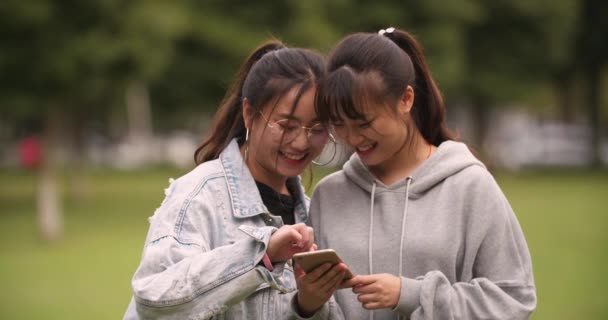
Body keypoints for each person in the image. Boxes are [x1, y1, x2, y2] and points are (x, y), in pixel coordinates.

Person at [300, 27, 537, 319]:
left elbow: (514, 297)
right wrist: (307, 304)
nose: (352, 138)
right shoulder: (329, 195)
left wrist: (411, 295)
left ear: (406, 99)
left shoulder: (469, 185)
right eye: (339, 124)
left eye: (363, 123)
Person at [123, 40, 348, 319]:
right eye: (287, 125)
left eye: (317, 128)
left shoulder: (314, 213)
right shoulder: (198, 195)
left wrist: (307, 306)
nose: (301, 142)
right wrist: (260, 257)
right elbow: (154, 300)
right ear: (249, 113)